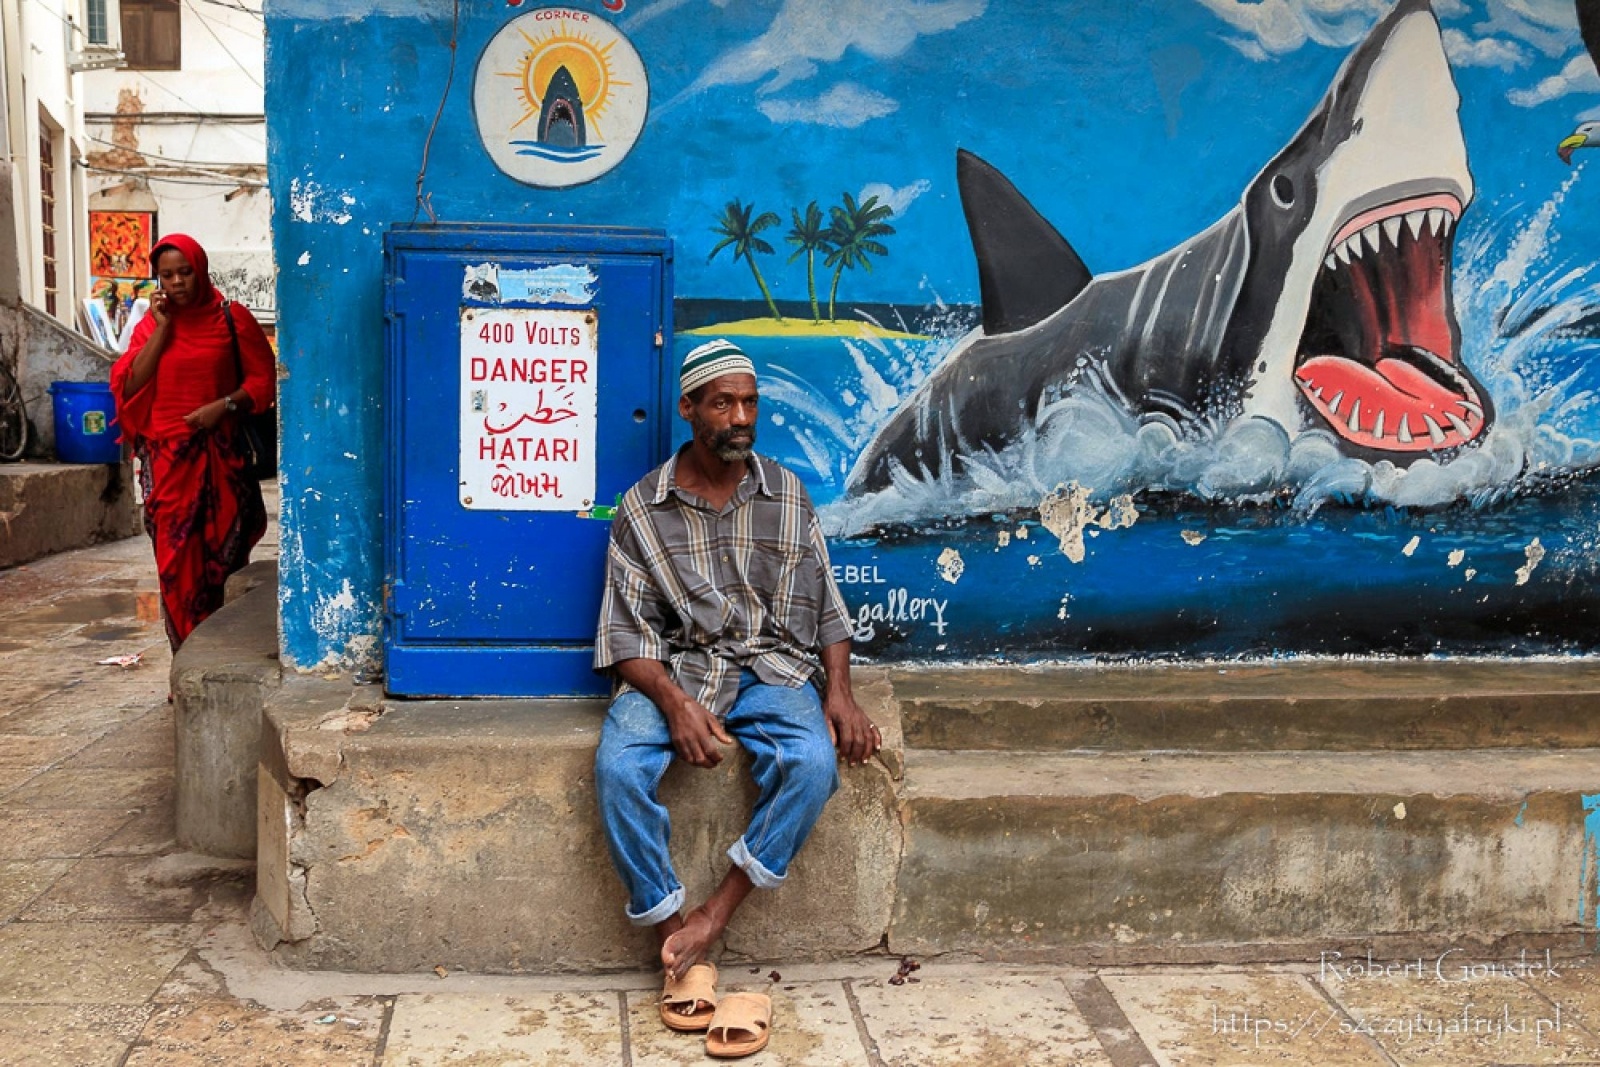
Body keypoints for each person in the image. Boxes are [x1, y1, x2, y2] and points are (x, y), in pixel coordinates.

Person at [593, 338, 880, 1058]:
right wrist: (674, 701)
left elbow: (826, 609)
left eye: (750, 401)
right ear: (688, 408)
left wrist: (840, 692)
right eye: (723, 402)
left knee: (814, 764)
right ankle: (673, 941)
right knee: (618, 767)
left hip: (773, 668)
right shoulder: (642, 508)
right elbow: (625, 636)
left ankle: (712, 919)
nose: (740, 417)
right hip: (678, 669)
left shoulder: (786, 493)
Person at [110, 234, 274, 651]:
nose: (178, 282)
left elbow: (262, 381)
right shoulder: (151, 324)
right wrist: (162, 330)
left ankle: (219, 655)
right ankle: (184, 662)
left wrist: (224, 406)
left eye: (185, 272)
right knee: (175, 565)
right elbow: (131, 384)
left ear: (200, 270)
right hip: (167, 461)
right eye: (167, 275)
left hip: (222, 458)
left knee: (223, 561)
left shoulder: (231, 318)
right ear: (157, 279)